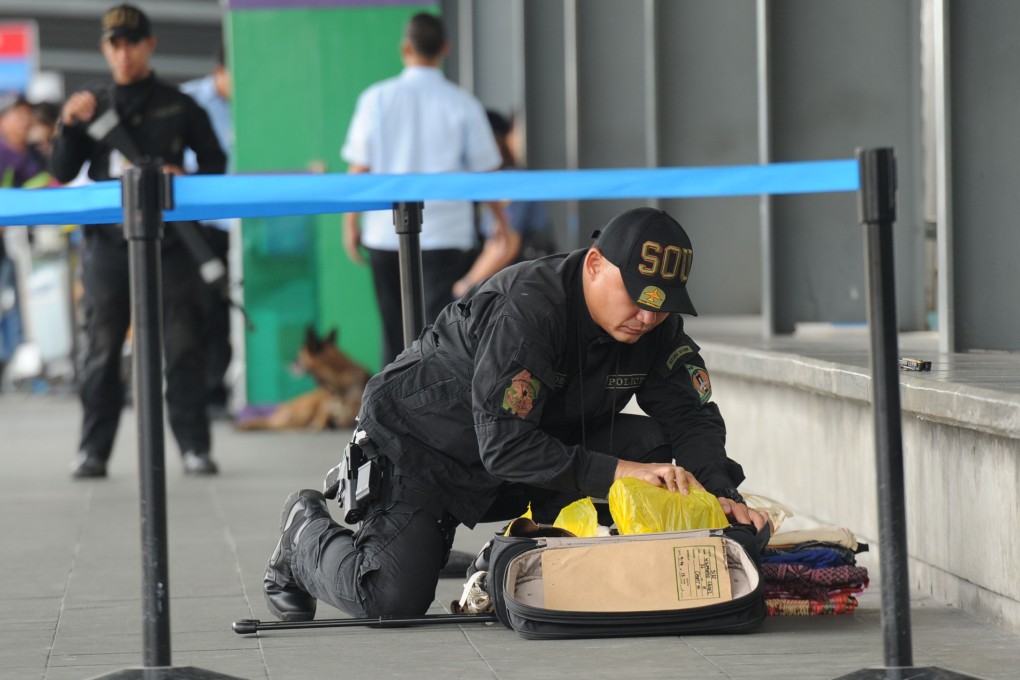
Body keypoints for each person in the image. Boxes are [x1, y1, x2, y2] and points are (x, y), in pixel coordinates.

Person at [263, 207, 768, 622]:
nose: (648, 316)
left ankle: (536, 555)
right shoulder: (530, 310)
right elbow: (504, 443)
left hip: (534, 448)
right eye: (637, 298)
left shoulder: (654, 325)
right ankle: (300, 531)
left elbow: (691, 416)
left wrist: (720, 493)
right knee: (390, 600)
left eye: (662, 305)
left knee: (659, 456)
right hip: (424, 449)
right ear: (594, 265)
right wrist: (619, 471)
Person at [49, 4, 227, 478]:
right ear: (105, 50)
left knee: (184, 346)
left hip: (171, 247)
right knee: (102, 349)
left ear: (149, 44)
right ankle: (93, 451)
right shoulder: (91, 106)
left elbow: (215, 163)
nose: (122, 52)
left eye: (131, 42)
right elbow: (62, 171)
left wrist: (181, 176)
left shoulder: (178, 103)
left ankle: (194, 447)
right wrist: (67, 124)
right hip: (109, 246)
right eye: (114, 44)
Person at [340, 12, 519, 366]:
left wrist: (350, 225)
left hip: (383, 233)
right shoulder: (462, 103)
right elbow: (487, 172)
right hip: (445, 235)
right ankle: (437, 414)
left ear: (405, 47)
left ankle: (388, 414)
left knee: (394, 331)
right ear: (446, 49)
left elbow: (359, 169)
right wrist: (500, 219)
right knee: (441, 335)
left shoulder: (376, 98)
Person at [181, 45, 234, 416]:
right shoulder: (188, 102)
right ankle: (196, 392)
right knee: (198, 308)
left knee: (224, 309)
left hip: (238, 225)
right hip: (199, 225)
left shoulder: (251, 102)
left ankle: (216, 388)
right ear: (219, 70)